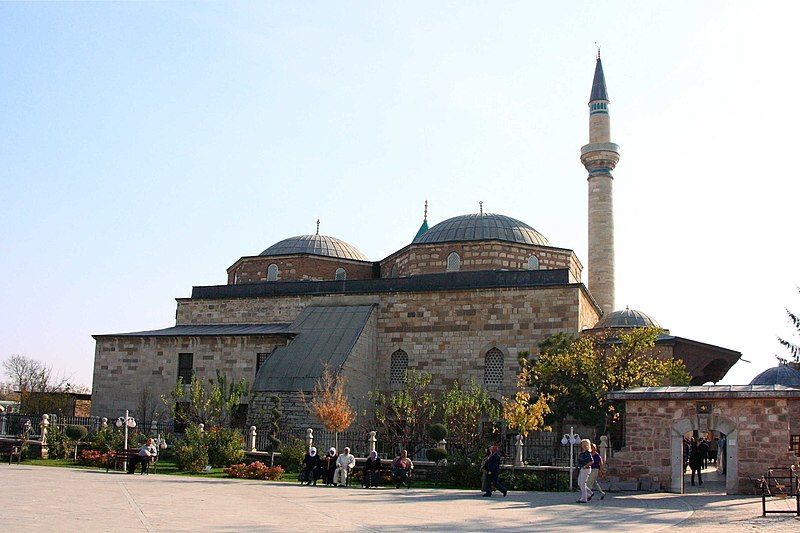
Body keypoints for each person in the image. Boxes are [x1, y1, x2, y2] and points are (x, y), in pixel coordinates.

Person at [576, 439, 593, 503]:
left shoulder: (587, 453)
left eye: (583, 444)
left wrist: (585, 466)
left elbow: (591, 461)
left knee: (582, 484)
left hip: (586, 469)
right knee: (579, 483)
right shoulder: (583, 452)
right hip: (582, 468)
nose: (581, 445)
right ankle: (589, 494)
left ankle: (584, 498)